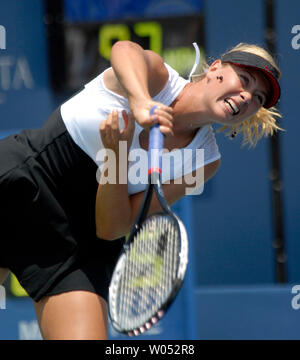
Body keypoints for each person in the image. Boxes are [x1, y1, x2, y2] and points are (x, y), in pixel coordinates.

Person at [0, 40, 281, 340]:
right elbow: (124, 49)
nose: (246, 96)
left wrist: (117, 155)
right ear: (215, 69)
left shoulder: (205, 161)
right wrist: (140, 101)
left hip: (78, 245)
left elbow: (112, 228)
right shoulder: (157, 76)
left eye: (257, 98)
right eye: (246, 81)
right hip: (20, 182)